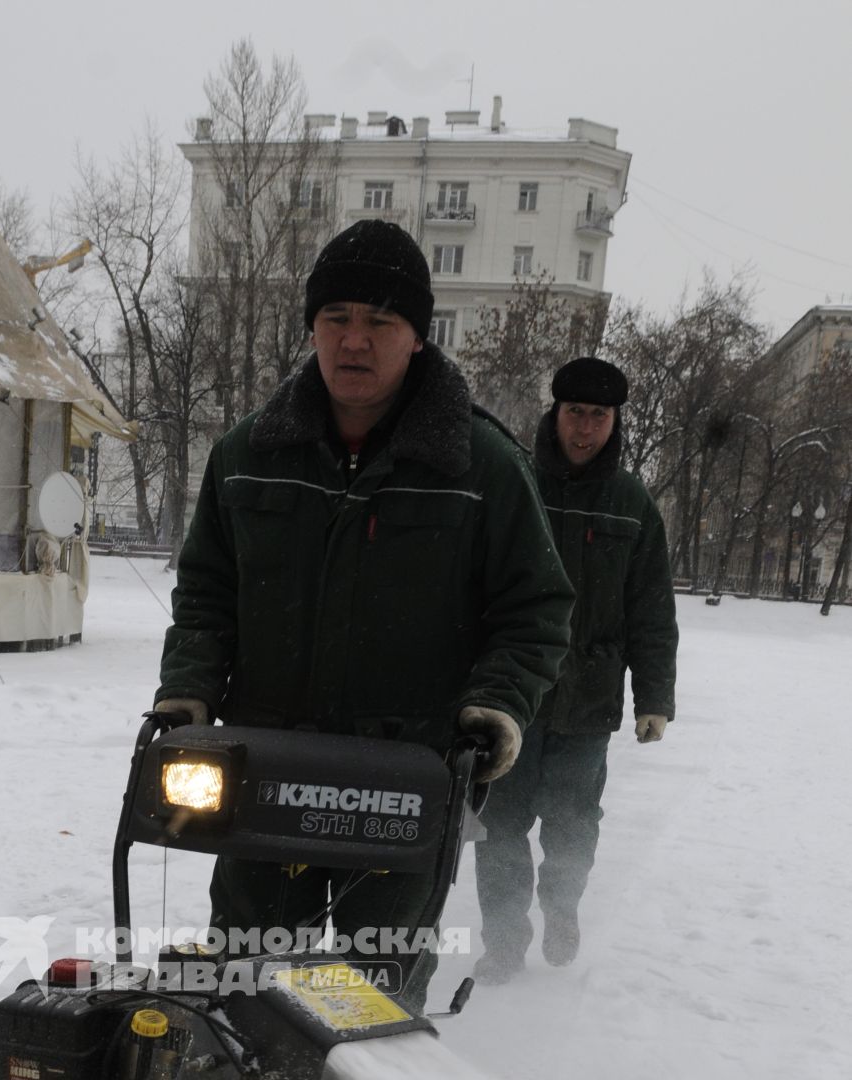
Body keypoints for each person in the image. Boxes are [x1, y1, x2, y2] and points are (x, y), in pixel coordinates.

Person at [153, 220, 574, 1006]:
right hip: (265, 765)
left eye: (380, 322)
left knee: (365, 993)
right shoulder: (247, 457)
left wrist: (494, 708)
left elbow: (535, 609)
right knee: (243, 967)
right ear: (310, 327)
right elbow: (207, 591)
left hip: (403, 782)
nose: (354, 341)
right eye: (336, 318)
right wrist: (189, 689)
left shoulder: (482, 469)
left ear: (417, 337)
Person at [473, 356, 679, 980]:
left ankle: (563, 908)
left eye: (598, 416)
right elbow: (473, 586)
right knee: (500, 827)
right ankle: (505, 942)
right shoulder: (518, 482)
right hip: (514, 695)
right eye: (574, 413)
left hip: (588, 702)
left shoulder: (632, 503)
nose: (584, 429)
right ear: (554, 414)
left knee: (571, 825)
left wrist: (655, 697)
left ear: (614, 423)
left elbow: (652, 607)